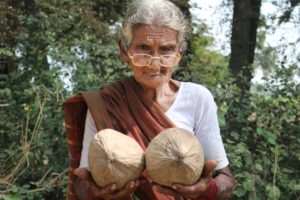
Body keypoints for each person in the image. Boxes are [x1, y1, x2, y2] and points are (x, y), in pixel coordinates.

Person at [64, 0, 235, 199]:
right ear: (124, 52)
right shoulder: (104, 104)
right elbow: (82, 183)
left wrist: (208, 188)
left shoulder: (198, 99)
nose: (155, 65)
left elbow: (227, 180)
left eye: (166, 50)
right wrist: (96, 192)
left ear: (179, 53)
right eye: (143, 49)